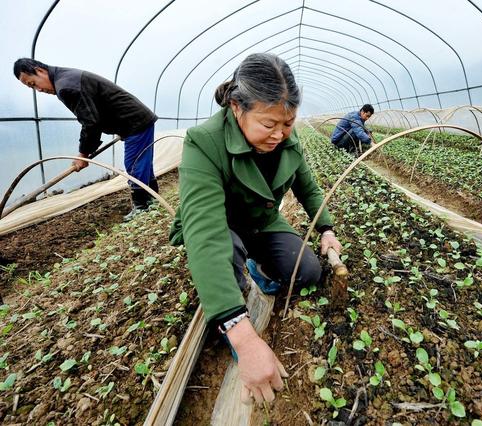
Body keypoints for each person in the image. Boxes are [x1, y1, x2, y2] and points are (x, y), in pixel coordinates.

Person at [168, 53, 342, 405]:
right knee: (226, 261)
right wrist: (243, 337)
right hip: (221, 225)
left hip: (260, 222)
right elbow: (206, 232)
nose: (279, 134)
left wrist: (325, 228)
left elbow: (307, 187)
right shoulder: (204, 142)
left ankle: (255, 266)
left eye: (288, 123)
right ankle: (234, 299)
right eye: (268, 124)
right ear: (236, 107)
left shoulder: (287, 140)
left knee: (306, 272)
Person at [13, 58, 159, 220]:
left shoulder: (67, 87)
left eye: (33, 83)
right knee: (142, 164)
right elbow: (96, 112)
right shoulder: (66, 78)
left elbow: (90, 123)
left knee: (134, 166)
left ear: (39, 71)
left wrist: (83, 155)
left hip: (135, 123)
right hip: (134, 121)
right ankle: (152, 203)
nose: (38, 90)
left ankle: (142, 208)